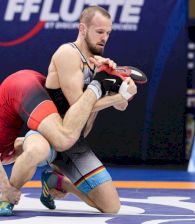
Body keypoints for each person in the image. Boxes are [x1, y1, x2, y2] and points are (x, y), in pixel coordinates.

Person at [0, 68, 137, 214]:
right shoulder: (3, 158)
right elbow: (27, 146)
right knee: (72, 133)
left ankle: (99, 81)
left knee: (63, 137)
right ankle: (103, 89)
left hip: (17, 89)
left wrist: (6, 189)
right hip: (30, 97)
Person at [40, 5, 143, 214]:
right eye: (99, 32)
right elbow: (80, 105)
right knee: (15, 153)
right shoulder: (68, 54)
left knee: (111, 207)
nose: (104, 38)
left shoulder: (98, 63)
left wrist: (123, 89)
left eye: (108, 33)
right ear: (82, 28)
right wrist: (113, 92)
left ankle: (57, 181)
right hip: (54, 139)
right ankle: (4, 193)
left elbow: (121, 106)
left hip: (76, 143)